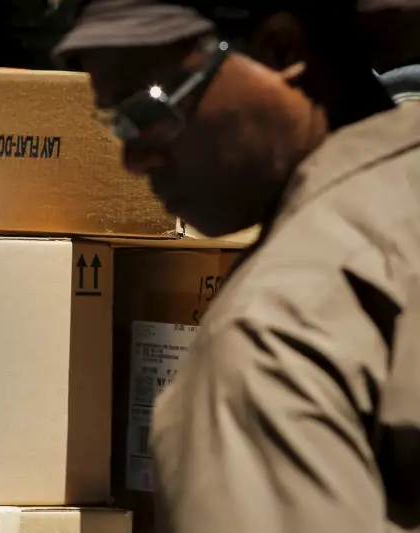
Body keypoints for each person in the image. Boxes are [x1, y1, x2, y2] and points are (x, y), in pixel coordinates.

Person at [52, 1, 420, 532]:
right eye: (119, 123)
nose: (133, 158)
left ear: (280, 50)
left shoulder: (270, 333)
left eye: (151, 109)